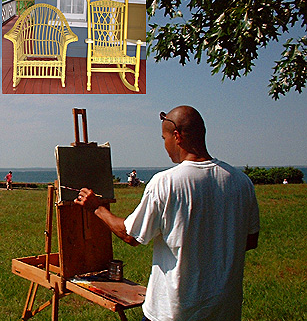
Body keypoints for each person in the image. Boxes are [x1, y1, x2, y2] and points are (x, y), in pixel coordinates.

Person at [74, 106, 260, 321]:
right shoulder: (241, 181)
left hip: (175, 312)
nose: (164, 146)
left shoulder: (166, 182)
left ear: (177, 136)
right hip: (225, 310)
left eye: (164, 138)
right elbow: (250, 240)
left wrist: (96, 208)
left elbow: (131, 235)